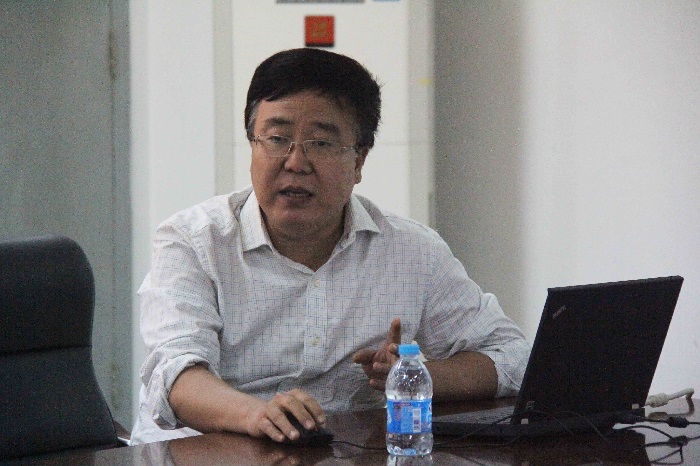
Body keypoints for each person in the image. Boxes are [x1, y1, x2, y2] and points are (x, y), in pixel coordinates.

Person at [130, 48, 530, 445]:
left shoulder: (412, 251)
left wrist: (413, 376)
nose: (295, 162)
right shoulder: (194, 242)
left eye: (320, 143)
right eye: (277, 139)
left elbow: (511, 356)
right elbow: (176, 374)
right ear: (252, 146)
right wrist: (257, 414)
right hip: (202, 450)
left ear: (359, 161)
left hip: (342, 453)